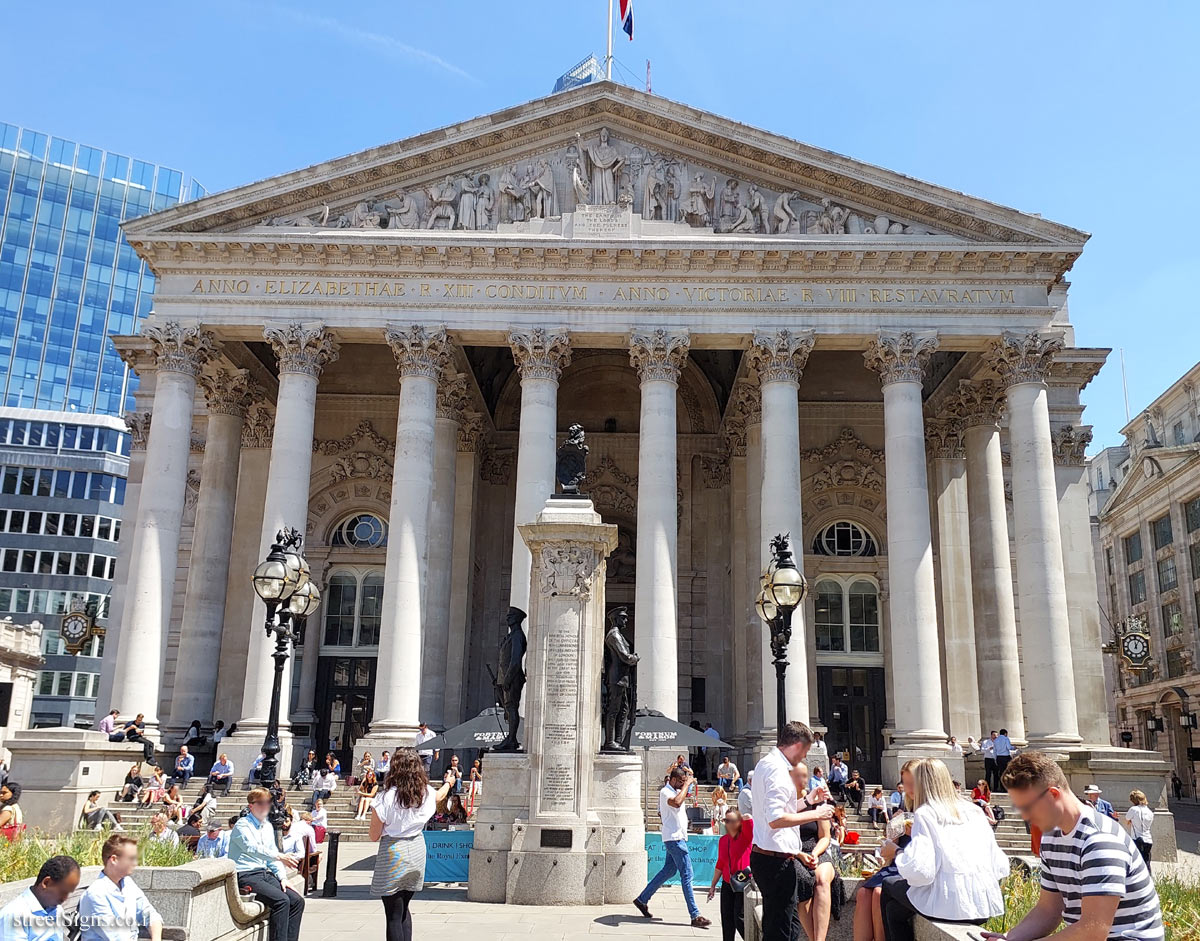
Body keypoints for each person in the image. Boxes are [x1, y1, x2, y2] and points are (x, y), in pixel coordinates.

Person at [987, 751, 1163, 941]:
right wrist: (1009, 938)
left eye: (1027, 807)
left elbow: (1093, 932)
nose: (1025, 816)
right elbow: (1048, 911)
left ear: (1053, 795)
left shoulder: (1099, 840)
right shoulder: (1051, 837)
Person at [877, 758, 1007, 941]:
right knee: (893, 911)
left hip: (949, 906)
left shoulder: (926, 813)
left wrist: (896, 851)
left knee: (888, 885)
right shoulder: (974, 811)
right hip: (981, 905)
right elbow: (999, 865)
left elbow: (921, 872)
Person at [749, 721, 834, 941]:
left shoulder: (766, 764)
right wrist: (817, 814)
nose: (804, 757)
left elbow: (777, 811)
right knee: (782, 931)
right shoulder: (777, 771)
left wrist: (807, 801)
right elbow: (776, 819)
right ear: (797, 745)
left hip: (769, 857)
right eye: (805, 751)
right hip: (775, 861)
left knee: (786, 926)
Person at [369, 749, 454, 941]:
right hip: (416, 848)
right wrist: (449, 782)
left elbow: (374, 835)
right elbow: (439, 795)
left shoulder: (385, 798)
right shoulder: (425, 793)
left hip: (393, 851)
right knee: (404, 908)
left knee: (393, 915)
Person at [632, 764, 711, 928]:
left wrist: (689, 779)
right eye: (680, 781)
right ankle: (695, 915)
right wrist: (687, 784)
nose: (683, 784)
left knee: (668, 870)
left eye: (684, 782)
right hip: (675, 839)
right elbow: (676, 803)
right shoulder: (666, 791)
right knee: (687, 874)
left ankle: (642, 899)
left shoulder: (675, 790)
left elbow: (683, 796)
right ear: (673, 780)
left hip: (676, 837)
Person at [229, 788, 304, 941]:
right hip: (246, 874)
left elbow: (271, 855)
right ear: (251, 806)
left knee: (297, 901)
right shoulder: (242, 825)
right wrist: (280, 856)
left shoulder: (268, 826)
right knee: (281, 901)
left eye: (268, 802)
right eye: (261, 803)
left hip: (264, 873)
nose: (266, 806)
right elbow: (251, 848)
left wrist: (283, 878)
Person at [79, 834, 163, 941]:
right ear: (114, 859)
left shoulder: (127, 883)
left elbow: (149, 914)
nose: (135, 863)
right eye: (131, 859)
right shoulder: (96, 894)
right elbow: (116, 937)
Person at [791, 762, 841, 941]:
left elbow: (825, 836)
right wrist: (799, 855)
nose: (802, 780)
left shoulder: (818, 804)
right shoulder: (785, 804)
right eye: (797, 776)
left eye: (804, 776)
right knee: (803, 880)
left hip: (817, 849)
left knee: (821, 879)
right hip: (794, 852)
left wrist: (815, 854)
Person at [0, 853, 79, 938]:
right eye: (62, 892)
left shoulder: (56, 910)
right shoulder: (14, 916)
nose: (65, 898)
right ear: (46, 883)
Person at [708, 808, 754, 941]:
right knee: (727, 921)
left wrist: (744, 817)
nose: (729, 824)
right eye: (726, 821)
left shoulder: (745, 836)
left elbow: (750, 822)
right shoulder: (723, 840)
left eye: (732, 821)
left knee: (739, 918)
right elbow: (720, 864)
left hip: (743, 883)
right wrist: (712, 886)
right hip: (727, 883)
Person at [1124, 789, 1155, 870]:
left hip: (1137, 838)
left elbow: (1127, 819)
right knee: (1147, 862)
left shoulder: (1134, 809)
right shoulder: (1150, 812)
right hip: (1148, 839)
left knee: (1137, 862)